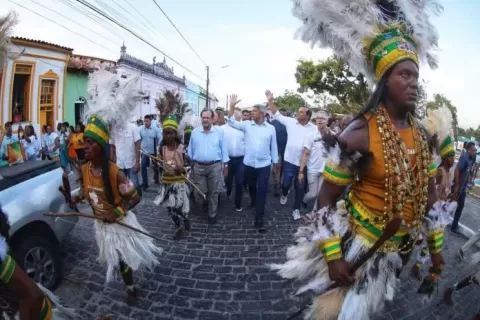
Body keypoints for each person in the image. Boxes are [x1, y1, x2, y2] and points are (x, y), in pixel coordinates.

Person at [270, 1, 448, 318]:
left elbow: (431, 197)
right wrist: (334, 257)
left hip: (398, 251)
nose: (413, 83)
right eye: (404, 74)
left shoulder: (423, 138)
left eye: (415, 76)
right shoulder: (359, 133)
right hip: (359, 246)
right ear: (385, 81)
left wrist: (436, 251)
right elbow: (325, 198)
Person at [67, 69, 162, 306]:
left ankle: (130, 287)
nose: (85, 147)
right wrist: (73, 198)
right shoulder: (86, 170)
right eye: (84, 142)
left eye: (90, 143)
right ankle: (127, 277)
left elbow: (135, 197)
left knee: (122, 260)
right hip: (102, 227)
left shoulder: (114, 172)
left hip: (119, 224)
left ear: (101, 145)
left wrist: (117, 212)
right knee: (116, 260)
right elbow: (87, 194)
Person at [227, 95, 278, 232]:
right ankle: (253, 199)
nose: (251, 113)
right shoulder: (246, 125)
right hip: (249, 164)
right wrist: (231, 106)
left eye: (254, 111)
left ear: (261, 113)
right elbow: (231, 123)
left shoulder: (270, 128)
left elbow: (274, 147)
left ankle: (259, 219)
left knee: (262, 191)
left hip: (264, 165)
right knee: (251, 187)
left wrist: (275, 164)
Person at [266, 92, 316, 220]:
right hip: (289, 161)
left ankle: (296, 209)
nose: (297, 113)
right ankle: (284, 193)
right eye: (298, 111)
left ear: (308, 116)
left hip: (303, 164)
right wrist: (270, 101)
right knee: (285, 184)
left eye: (301, 112)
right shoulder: (290, 122)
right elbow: (276, 114)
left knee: (299, 187)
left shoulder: (313, 129)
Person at [188, 108, 229, 224]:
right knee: (199, 192)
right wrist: (190, 164)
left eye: (207, 117)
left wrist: (226, 165)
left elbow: (224, 149)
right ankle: (204, 203)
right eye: (203, 117)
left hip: (214, 166)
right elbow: (191, 149)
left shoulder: (219, 132)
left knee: (214, 192)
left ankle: (212, 214)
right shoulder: (195, 132)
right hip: (198, 166)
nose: (205, 120)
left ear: (212, 119)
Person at [154, 115, 191, 240]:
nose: (168, 136)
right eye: (165, 133)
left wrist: (181, 169)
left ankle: (185, 218)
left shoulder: (182, 148)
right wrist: (158, 163)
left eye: (170, 133)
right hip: (167, 182)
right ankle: (178, 227)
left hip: (179, 182)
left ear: (175, 134)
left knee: (180, 207)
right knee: (171, 208)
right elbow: (159, 164)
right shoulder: (161, 148)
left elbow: (189, 165)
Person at [298, 111, 329, 210]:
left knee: (320, 194)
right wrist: (301, 171)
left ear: (327, 121)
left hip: (325, 170)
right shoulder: (311, 135)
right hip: (313, 169)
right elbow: (306, 153)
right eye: (318, 118)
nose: (320, 120)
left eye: (322, 118)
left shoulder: (332, 134)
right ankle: (304, 200)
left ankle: (315, 214)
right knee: (313, 194)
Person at [222, 107, 246, 211]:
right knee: (228, 179)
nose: (236, 116)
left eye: (238, 114)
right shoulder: (223, 128)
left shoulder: (244, 128)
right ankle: (228, 190)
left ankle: (238, 203)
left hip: (241, 159)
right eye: (234, 114)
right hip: (228, 159)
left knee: (239, 182)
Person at [451, 142, 477, 234]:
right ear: (468, 149)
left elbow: (468, 172)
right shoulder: (464, 158)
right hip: (458, 187)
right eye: (473, 150)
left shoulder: (470, 158)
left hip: (463, 187)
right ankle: (441, 220)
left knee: (459, 205)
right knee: (450, 203)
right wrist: (457, 185)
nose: (475, 151)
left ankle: (453, 225)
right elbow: (457, 170)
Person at [110, 121, 142, 196]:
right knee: (121, 185)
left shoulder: (133, 127)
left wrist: (137, 162)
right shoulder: (114, 130)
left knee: (135, 184)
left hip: (131, 162)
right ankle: (125, 201)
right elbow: (112, 146)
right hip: (119, 164)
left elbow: (138, 145)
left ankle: (136, 198)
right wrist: (112, 162)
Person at [139, 115, 162, 189]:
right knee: (143, 167)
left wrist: (159, 146)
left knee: (156, 166)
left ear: (150, 121)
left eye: (147, 121)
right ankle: (145, 183)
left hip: (153, 152)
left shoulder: (155, 129)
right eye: (144, 121)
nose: (145, 123)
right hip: (145, 152)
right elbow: (139, 139)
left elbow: (160, 138)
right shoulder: (141, 129)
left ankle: (156, 179)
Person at [270, 108, 288, 197]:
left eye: (285, 112)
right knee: (277, 167)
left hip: (286, 150)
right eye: (282, 113)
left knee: (283, 168)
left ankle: (280, 182)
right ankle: (276, 185)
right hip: (276, 150)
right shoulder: (273, 124)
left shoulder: (289, 124)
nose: (284, 114)